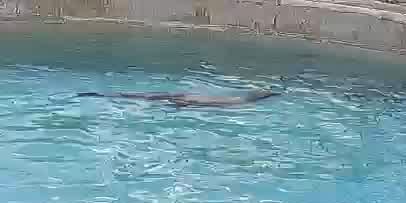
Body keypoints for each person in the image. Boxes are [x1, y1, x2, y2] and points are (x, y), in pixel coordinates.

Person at [76, 89, 279, 108]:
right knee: (143, 98)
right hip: (189, 101)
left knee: (142, 97)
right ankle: (100, 94)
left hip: (189, 100)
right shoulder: (240, 103)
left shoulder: (239, 101)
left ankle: (100, 94)